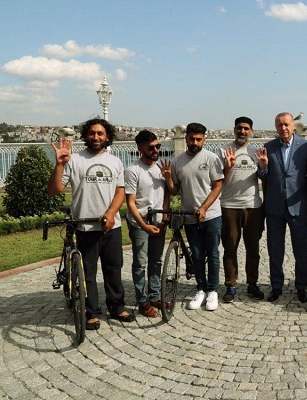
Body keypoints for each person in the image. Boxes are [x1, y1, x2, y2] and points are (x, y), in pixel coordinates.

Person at [47, 118, 135, 330]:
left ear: (107, 137)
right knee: (87, 273)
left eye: (100, 133)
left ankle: (116, 306)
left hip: (110, 226)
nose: (96, 137)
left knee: (113, 269)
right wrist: (59, 164)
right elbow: (54, 189)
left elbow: (120, 191)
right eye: (92, 133)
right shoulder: (74, 159)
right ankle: (92, 312)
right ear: (85, 135)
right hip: (85, 226)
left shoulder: (115, 161)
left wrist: (111, 213)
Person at [256, 112, 307, 303]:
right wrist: (263, 166)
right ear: (276, 127)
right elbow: (263, 176)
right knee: (275, 250)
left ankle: (301, 287)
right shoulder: (269, 147)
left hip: (298, 205)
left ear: (293, 126)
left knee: (301, 249)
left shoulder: (306, 146)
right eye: (279, 125)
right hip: (275, 207)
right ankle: (276, 286)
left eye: (286, 124)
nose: (283, 128)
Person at [163, 122, 224, 311]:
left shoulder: (212, 158)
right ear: (186, 138)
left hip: (211, 215)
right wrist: (167, 178)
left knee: (212, 254)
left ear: (204, 139)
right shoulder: (177, 162)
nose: (195, 142)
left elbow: (217, 186)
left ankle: (213, 290)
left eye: (199, 139)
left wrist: (205, 207)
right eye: (191, 138)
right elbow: (174, 190)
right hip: (189, 215)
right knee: (196, 255)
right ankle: (201, 289)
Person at [124, 130, 169, 318]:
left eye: (158, 146)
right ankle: (142, 302)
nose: (155, 150)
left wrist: (165, 217)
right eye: (151, 147)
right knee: (140, 263)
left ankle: (155, 295)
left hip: (158, 220)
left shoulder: (161, 168)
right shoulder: (133, 171)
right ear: (140, 148)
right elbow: (131, 202)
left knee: (156, 260)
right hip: (139, 222)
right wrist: (143, 225)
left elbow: (166, 194)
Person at [219, 117, 265, 302]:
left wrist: (263, 166)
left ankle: (252, 284)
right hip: (229, 206)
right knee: (230, 247)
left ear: (251, 131)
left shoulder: (257, 151)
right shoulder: (224, 150)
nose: (242, 131)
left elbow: (264, 176)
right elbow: (218, 180)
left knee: (253, 248)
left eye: (246, 128)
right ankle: (231, 285)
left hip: (253, 207)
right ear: (234, 130)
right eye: (239, 128)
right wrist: (227, 167)